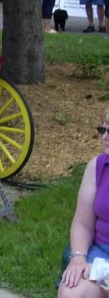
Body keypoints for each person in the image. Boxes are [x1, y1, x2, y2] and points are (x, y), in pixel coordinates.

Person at [58, 108, 109, 297]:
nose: (104, 137)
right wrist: (78, 257)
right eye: (102, 130)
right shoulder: (97, 166)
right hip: (102, 255)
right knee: (72, 292)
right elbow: (82, 223)